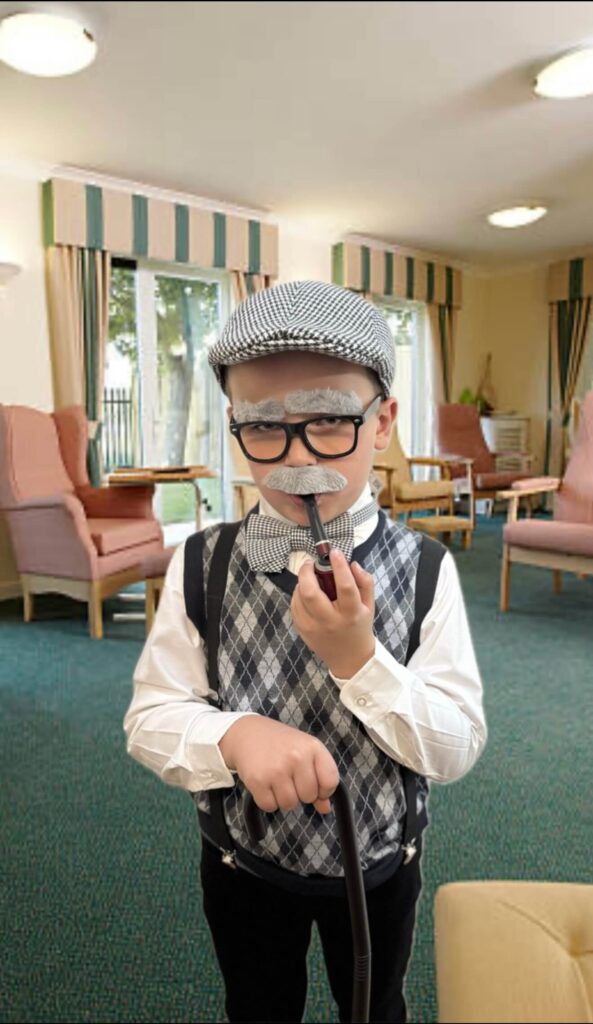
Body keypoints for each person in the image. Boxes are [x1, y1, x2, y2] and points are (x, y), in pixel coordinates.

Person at [124, 280, 487, 1024]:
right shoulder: (198, 564)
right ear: (234, 424)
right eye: (263, 427)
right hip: (244, 862)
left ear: (382, 422)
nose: (296, 460)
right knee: (258, 1005)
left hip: (381, 864)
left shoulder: (426, 569)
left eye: (328, 421)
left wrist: (360, 660)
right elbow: (150, 717)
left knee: (374, 1004)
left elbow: (455, 747)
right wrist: (233, 734)